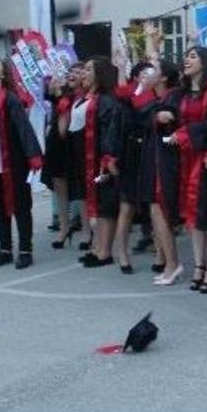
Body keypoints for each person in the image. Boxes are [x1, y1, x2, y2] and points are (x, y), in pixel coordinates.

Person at [0, 60, 43, 270]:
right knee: (0, 207)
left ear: (3, 75)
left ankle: (25, 250)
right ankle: (5, 249)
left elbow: (23, 128)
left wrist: (33, 155)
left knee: (21, 207)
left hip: (12, 162)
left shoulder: (9, 98)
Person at [167, 47, 207, 292]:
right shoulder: (183, 93)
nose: (186, 60)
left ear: (205, 62)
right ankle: (199, 265)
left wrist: (186, 133)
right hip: (187, 157)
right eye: (186, 56)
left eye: (192, 56)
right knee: (192, 214)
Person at [70, 57, 123, 269]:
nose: (85, 72)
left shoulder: (106, 100)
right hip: (83, 155)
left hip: (101, 158)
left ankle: (105, 251)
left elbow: (110, 131)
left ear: (99, 73)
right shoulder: (84, 97)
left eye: (89, 69)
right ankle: (97, 246)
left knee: (105, 203)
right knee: (95, 203)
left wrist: (107, 157)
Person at [139, 59, 183, 285]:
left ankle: (173, 263)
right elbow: (142, 115)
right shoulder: (157, 98)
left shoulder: (173, 95)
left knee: (162, 212)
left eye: (154, 69)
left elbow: (170, 117)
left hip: (166, 160)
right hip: (154, 157)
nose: (148, 73)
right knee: (155, 211)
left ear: (164, 77)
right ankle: (168, 262)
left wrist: (159, 117)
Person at [112, 61, 158, 273]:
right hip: (130, 154)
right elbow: (116, 129)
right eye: (144, 74)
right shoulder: (125, 98)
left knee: (155, 207)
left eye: (152, 73)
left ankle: (161, 253)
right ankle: (122, 254)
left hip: (152, 153)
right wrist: (110, 157)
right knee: (127, 207)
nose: (149, 77)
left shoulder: (159, 98)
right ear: (137, 77)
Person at [41, 71, 75, 249]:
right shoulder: (60, 96)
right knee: (59, 187)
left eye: (78, 73)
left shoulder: (81, 95)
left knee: (79, 189)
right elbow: (48, 95)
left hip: (74, 143)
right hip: (57, 144)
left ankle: (86, 230)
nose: (72, 76)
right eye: (69, 74)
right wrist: (53, 85)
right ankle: (64, 226)